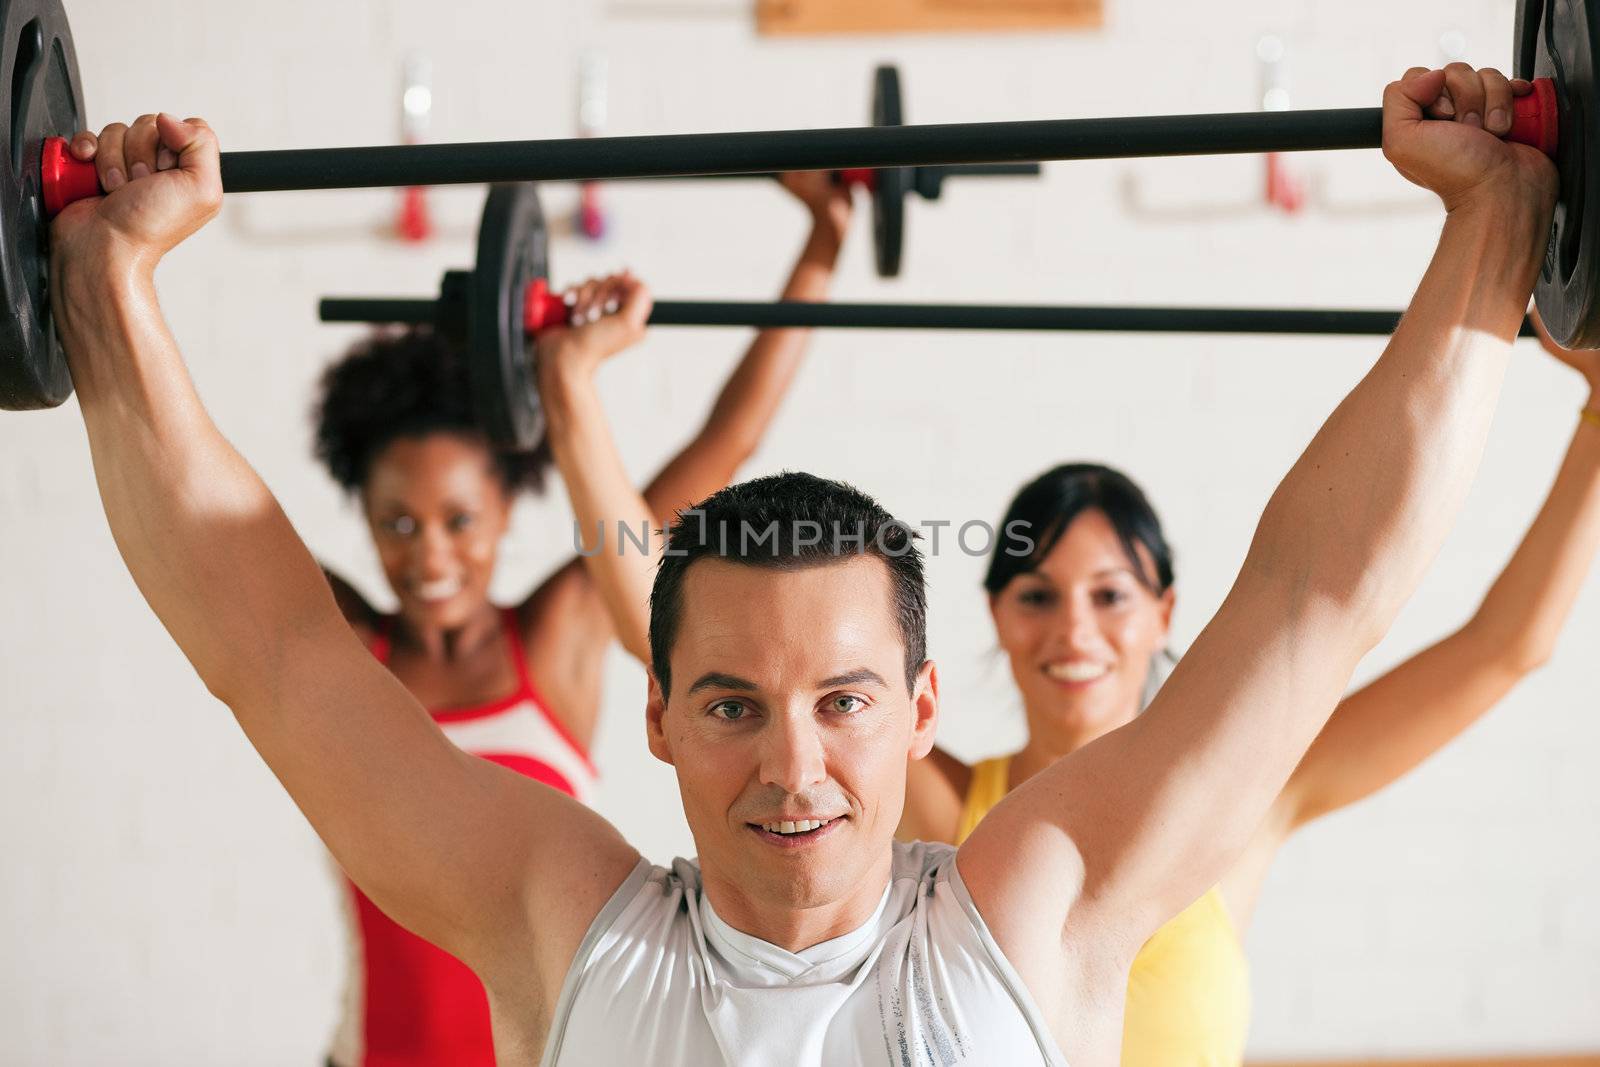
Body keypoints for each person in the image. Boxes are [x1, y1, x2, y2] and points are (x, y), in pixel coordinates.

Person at [50, 65, 1553, 1065]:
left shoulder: (1033, 907)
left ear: (914, 702)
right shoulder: (563, 915)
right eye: (729, 702)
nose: (794, 763)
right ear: (653, 714)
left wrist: (1492, 227)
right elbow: (277, 652)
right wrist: (107, 287)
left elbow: (1314, 593)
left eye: (842, 700)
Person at [898, 322, 1600, 1065]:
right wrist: (821, 247)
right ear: (996, 616)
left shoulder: (1247, 798)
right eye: (1037, 597)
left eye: (1110, 596)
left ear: (1163, 613)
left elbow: (1505, 647)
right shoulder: (945, 809)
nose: (1074, 630)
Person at [307, 171, 851, 1066]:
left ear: (506, 510)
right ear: (363, 517)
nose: (429, 554)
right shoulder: (342, 651)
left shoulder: (556, 634)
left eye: (459, 520)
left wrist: (823, 243)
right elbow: (199, 511)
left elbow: (730, 439)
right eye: (396, 524)